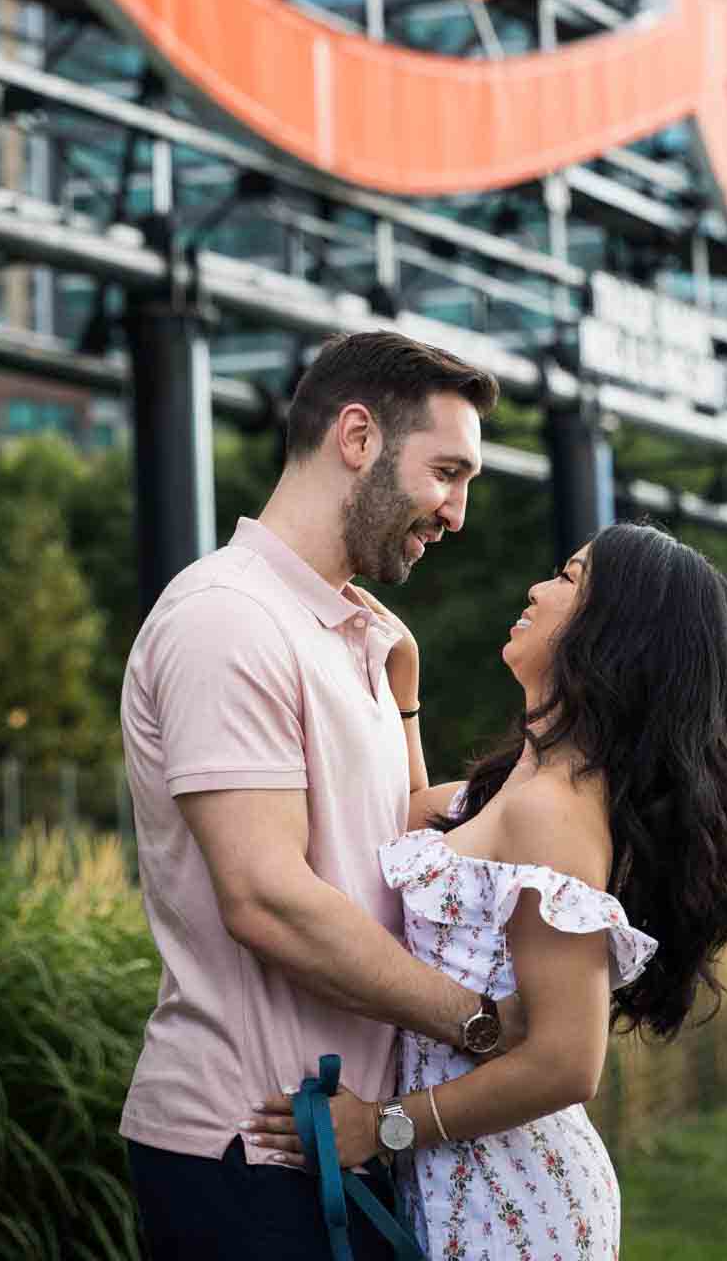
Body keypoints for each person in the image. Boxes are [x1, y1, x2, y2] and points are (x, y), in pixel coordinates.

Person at [249, 522, 727, 1260]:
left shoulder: (553, 810)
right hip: (470, 1184)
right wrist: (403, 691)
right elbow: (400, 813)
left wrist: (382, 1125)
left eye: (568, 578)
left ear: (612, 631)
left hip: (513, 1200)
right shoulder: (512, 791)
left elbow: (566, 1061)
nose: (537, 587)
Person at [120, 329, 513, 1261]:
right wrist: (486, 1028)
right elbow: (268, 899)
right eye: (447, 472)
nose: (456, 513)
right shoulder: (228, 617)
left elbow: (392, 855)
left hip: (339, 1137)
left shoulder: (351, 633)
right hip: (250, 1146)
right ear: (357, 437)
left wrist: (412, 702)